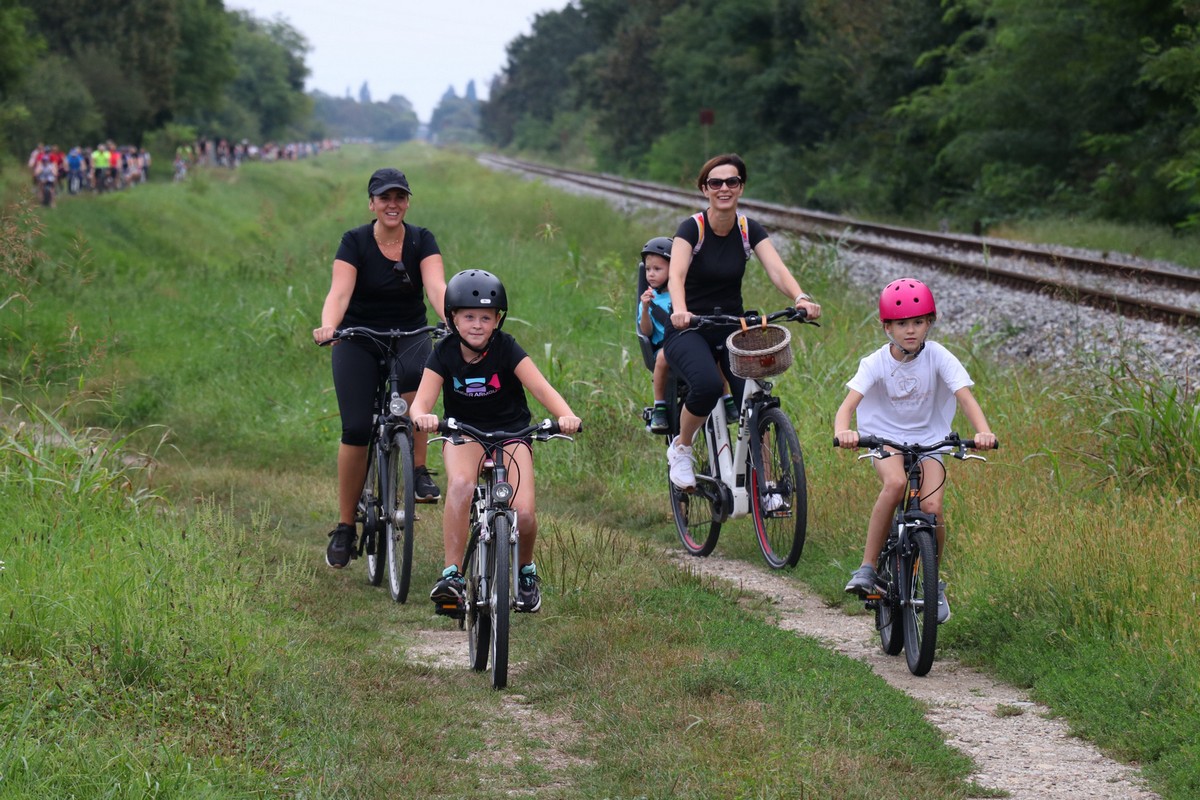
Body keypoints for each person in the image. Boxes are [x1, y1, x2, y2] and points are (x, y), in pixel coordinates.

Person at [409, 269, 581, 615]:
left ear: (497, 319)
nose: (476, 324)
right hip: (464, 431)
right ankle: (453, 577)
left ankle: (526, 571)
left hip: (512, 433)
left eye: (485, 317)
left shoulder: (507, 348)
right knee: (460, 484)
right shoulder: (443, 353)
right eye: (468, 316)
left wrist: (567, 416)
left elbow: (541, 388)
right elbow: (421, 402)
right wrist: (421, 416)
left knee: (524, 512)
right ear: (452, 318)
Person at [833, 277, 997, 623]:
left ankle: (932, 584)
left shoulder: (938, 356)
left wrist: (983, 432)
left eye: (919, 322)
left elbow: (966, 398)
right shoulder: (875, 362)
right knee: (894, 485)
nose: (911, 331)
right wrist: (843, 432)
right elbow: (847, 407)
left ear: (929, 323)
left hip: (930, 440)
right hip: (884, 438)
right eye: (902, 324)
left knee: (933, 506)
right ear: (887, 327)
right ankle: (867, 567)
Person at [313, 167, 448, 569]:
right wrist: (330, 326)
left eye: (400, 197)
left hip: (409, 332)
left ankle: (419, 469)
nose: (393, 205)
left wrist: (451, 319)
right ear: (371, 203)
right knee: (355, 428)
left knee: (416, 400)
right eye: (384, 198)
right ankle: (344, 526)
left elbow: (437, 287)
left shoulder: (422, 239)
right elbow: (339, 291)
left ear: (407, 202)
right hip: (357, 336)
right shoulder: (354, 241)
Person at [663, 153, 822, 489]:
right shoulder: (693, 228)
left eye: (731, 182)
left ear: (741, 187)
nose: (724, 188)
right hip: (689, 327)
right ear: (705, 189)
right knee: (706, 386)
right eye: (716, 183)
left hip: (734, 327)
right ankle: (682, 448)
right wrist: (679, 309)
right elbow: (675, 275)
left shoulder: (749, 229)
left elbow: (777, 270)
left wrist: (800, 297)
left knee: (754, 396)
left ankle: (767, 487)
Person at [637, 236, 674, 434]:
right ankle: (659, 405)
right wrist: (645, 309)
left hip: (687, 343)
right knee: (662, 356)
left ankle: (725, 398)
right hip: (664, 345)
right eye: (648, 269)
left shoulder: (682, 294)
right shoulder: (649, 298)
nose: (650, 274)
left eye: (657, 269)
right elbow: (646, 331)